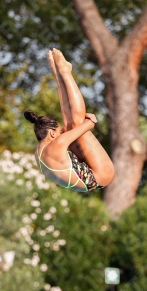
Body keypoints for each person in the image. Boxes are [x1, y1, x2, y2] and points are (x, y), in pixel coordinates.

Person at [24, 48, 115, 192]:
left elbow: (68, 125)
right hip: (102, 175)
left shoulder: (39, 152)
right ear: (52, 133)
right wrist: (89, 120)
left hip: (88, 178)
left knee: (69, 126)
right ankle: (65, 73)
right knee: (76, 123)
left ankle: (59, 73)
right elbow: (89, 124)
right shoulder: (58, 143)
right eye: (59, 131)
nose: (61, 133)